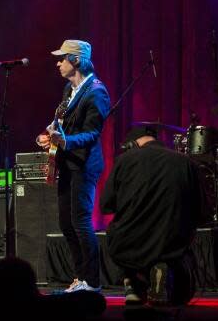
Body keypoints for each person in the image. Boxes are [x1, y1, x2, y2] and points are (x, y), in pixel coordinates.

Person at [36, 40, 110, 293]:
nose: (57, 63)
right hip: (67, 163)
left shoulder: (97, 92)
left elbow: (92, 133)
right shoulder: (70, 89)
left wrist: (65, 140)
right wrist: (50, 133)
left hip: (84, 164)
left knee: (80, 222)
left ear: (75, 61)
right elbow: (61, 121)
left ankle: (92, 281)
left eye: (62, 58)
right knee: (66, 223)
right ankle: (80, 277)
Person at [100, 126, 204, 305]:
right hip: (171, 240)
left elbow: (106, 205)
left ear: (133, 144)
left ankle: (131, 283)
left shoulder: (125, 160)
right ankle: (160, 267)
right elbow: (201, 210)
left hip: (130, 241)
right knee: (171, 245)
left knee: (115, 235)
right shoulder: (186, 162)